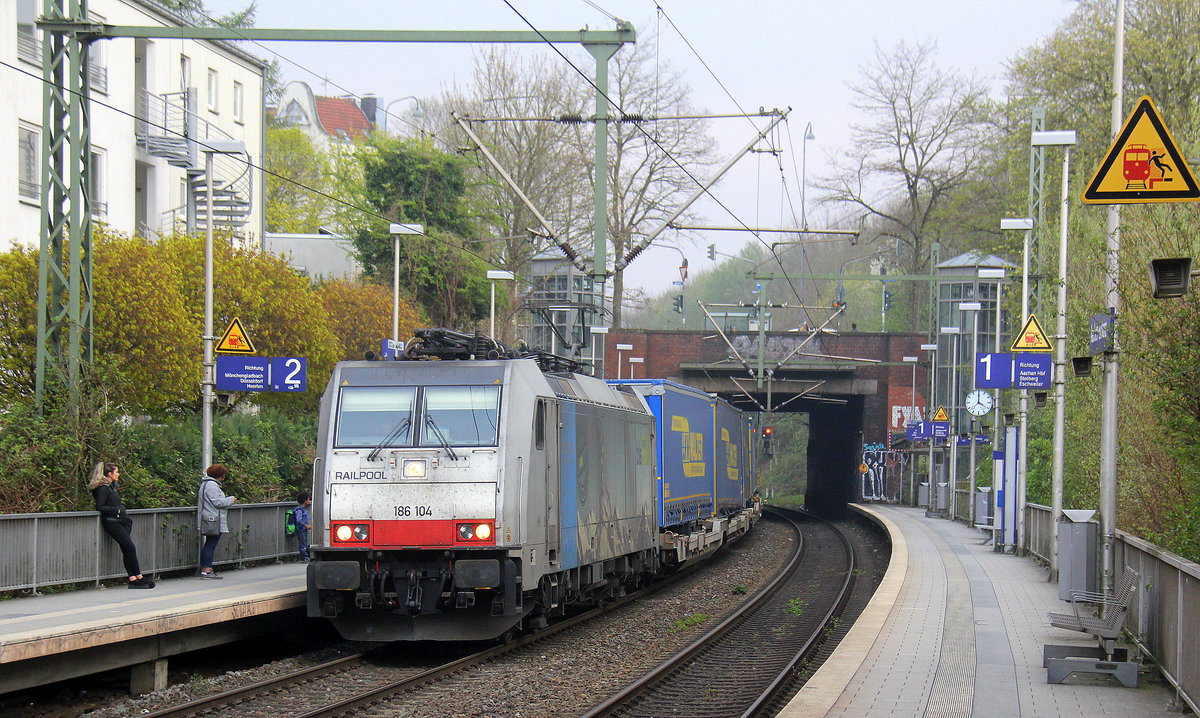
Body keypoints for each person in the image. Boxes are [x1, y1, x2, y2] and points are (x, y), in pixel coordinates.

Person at [89, 462, 155, 589]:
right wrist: (117, 510)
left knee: (127, 549)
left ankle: (133, 578)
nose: (118, 474)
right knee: (130, 547)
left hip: (119, 521)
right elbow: (100, 506)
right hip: (112, 522)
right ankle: (138, 577)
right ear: (109, 474)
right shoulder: (102, 488)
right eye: (116, 472)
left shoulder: (110, 487)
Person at [197, 464, 237, 579]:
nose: (224, 478)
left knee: (209, 544)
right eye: (223, 475)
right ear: (219, 475)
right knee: (210, 545)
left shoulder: (206, 484)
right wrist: (230, 499)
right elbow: (217, 502)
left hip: (210, 518)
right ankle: (207, 570)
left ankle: (206, 569)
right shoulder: (212, 485)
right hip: (213, 519)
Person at [294, 491, 313, 562]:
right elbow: (298, 520)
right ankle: (304, 557)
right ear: (305, 500)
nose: (309, 501)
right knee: (303, 544)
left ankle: (306, 556)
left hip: (303, 529)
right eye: (308, 499)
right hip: (301, 529)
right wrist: (305, 525)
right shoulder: (300, 510)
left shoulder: (303, 510)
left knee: (305, 543)